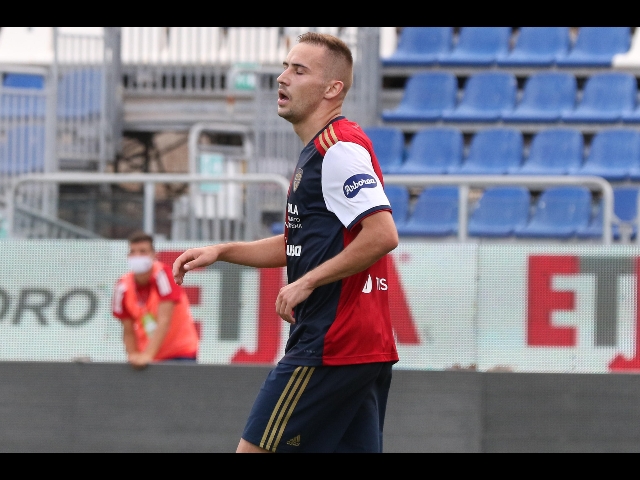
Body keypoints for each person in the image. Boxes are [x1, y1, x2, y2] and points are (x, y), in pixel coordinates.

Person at [173, 32, 399, 453]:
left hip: (330, 342)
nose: (282, 78)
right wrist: (223, 251)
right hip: (360, 347)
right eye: (284, 67)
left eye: (299, 70)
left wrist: (307, 281)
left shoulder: (337, 148)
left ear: (332, 89)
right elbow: (300, 243)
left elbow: (382, 234)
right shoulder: (322, 149)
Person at [113, 231, 200, 369]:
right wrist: (133, 355)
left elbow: (164, 321)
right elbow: (128, 330)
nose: (137, 256)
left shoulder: (163, 275)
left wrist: (147, 356)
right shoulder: (123, 285)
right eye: (133, 252)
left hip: (179, 353)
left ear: (154, 255)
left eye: (143, 251)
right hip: (147, 358)